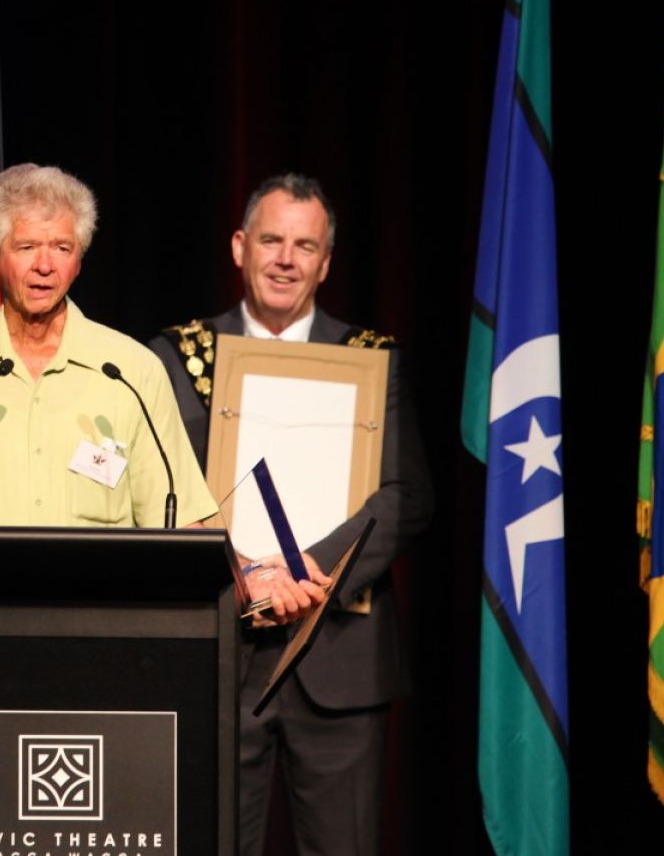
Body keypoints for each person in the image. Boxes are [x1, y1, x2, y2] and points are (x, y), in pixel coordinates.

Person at [0, 162, 327, 621]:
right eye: (26, 247)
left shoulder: (130, 373)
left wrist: (251, 574)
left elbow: (182, 523)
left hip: (101, 636)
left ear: (79, 260)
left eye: (61, 247)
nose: (44, 265)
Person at [149, 173, 434, 856]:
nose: (285, 259)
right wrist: (244, 573)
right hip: (220, 653)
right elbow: (160, 496)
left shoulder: (372, 361)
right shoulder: (180, 357)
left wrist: (312, 567)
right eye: (271, 240)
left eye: (304, 246)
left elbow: (405, 495)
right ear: (240, 247)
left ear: (326, 262)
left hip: (340, 660)